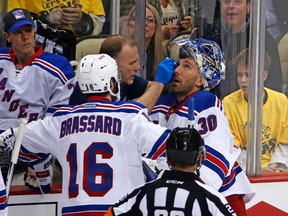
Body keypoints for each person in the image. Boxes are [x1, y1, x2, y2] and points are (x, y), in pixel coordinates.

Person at [0, 53, 171, 215]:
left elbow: (14, 138)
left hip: (74, 213)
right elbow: (170, 146)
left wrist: (42, 166)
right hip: (119, 212)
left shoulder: (60, 120)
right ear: (111, 83)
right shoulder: (130, 116)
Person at [150, 37, 255, 216]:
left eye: (187, 67)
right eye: (178, 64)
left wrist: (182, 190)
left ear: (200, 80)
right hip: (183, 195)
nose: (177, 70)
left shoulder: (206, 103)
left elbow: (217, 158)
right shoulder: (164, 102)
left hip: (222, 197)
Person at [0, 8, 75, 214]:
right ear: (8, 37)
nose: (25, 37)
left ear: (34, 31)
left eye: (28, 30)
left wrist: (39, 151)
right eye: (18, 33)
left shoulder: (57, 67)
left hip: (34, 146)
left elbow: (56, 122)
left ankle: (41, 165)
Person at [105, 127, 236, 216]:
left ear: (168, 157)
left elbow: (111, 214)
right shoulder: (210, 197)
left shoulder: (142, 192)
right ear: (200, 158)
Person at [196, 0, 283, 98]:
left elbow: (274, 86)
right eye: (226, 1)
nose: (231, 6)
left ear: (248, 7)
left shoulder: (263, 40)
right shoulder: (206, 37)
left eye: (238, 1)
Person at [69, 34, 176, 113]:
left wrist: (172, 78)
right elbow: (136, 114)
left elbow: (151, 89)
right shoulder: (89, 89)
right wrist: (159, 82)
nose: (138, 68)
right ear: (112, 65)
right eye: (132, 63)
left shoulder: (124, 79)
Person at [222, 48, 288, 173]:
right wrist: (255, 170)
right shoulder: (228, 103)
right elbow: (232, 147)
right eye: (240, 75)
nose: (242, 80)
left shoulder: (282, 101)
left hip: (277, 173)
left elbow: (285, 143)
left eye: (248, 75)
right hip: (243, 172)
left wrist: (272, 168)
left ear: (264, 76)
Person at [7, 0, 105, 37]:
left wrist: (82, 20)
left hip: (82, 51)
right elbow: (10, 27)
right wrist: (47, 20)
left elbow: (100, 24)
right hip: (40, 54)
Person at [122, 3, 166, 81]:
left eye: (150, 20)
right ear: (129, 23)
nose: (144, 24)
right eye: (138, 19)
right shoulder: (120, 50)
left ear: (156, 26)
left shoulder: (163, 52)